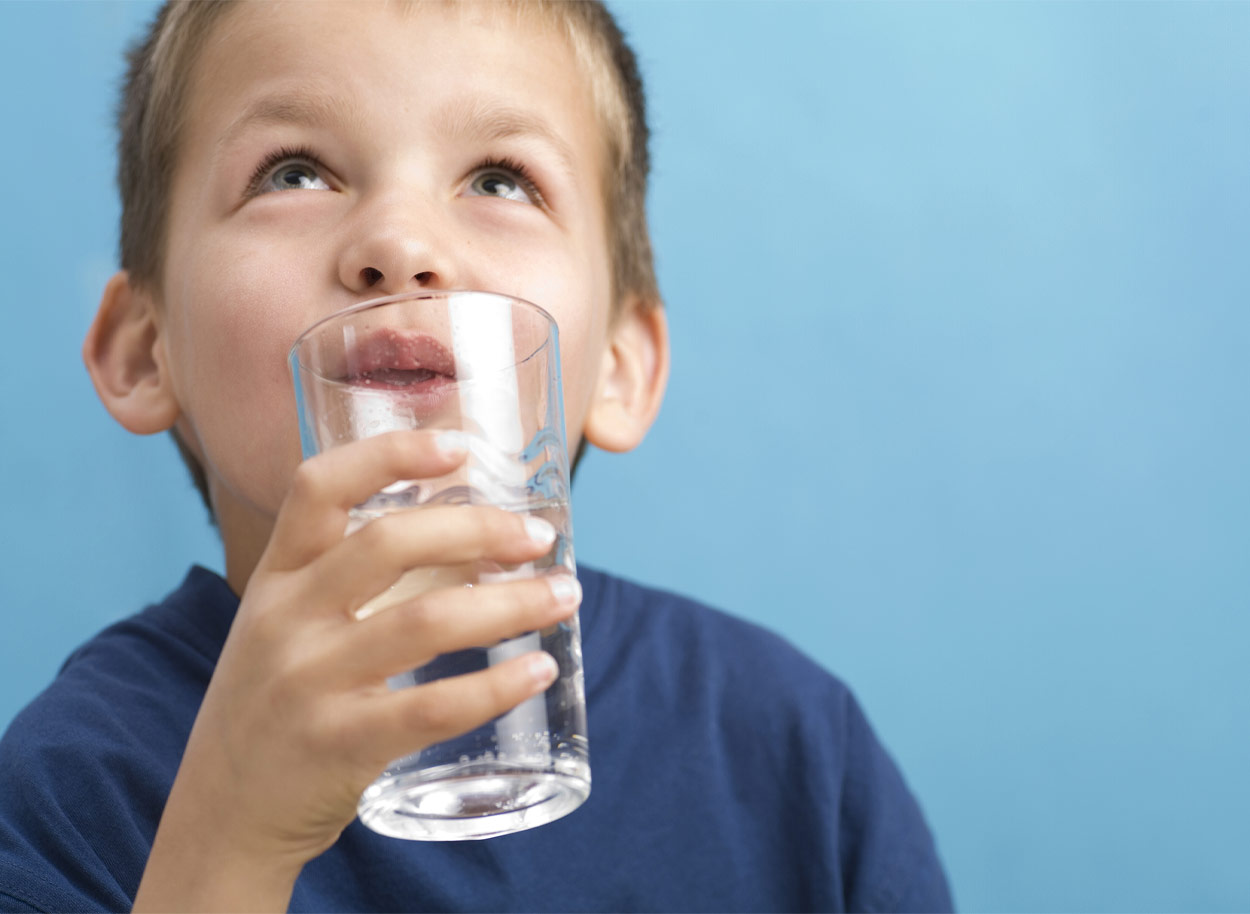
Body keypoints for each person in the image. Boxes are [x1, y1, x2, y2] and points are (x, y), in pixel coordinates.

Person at [0, 1, 952, 911]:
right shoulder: (74, 790)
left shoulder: (793, 755)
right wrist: (229, 845)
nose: (400, 244)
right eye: (293, 173)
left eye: (500, 181)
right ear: (144, 351)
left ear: (620, 366)